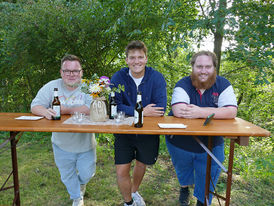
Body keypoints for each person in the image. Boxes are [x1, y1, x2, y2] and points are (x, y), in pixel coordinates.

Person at [166, 51, 237, 206]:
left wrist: (199, 111)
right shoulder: (183, 84)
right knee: (183, 170)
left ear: (214, 68)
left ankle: (202, 200)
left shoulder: (223, 84)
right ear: (193, 67)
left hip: (212, 142)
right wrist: (216, 112)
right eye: (199, 66)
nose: (203, 71)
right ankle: (184, 188)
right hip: (180, 142)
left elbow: (231, 111)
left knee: (208, 174)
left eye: (207, 66)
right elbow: (179, 111)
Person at [31, 54, 96, 206]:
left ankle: (81, 184)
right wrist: (45, 112)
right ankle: (77, 197)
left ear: (81, 72)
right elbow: (35, 105)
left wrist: (64, 109)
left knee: (87, 173)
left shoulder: (90, 87)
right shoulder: (51, 86)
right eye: (67, 71)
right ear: (61, 72)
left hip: (86, 144)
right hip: (61, 144)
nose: (71, 74)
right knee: (67, 176)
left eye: (75, 71)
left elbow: (92, 108)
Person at [111, 40, 167, 206]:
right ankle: (128, 203)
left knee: (142, 164)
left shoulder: (156, 77)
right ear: (127, 60)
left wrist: (130, 109)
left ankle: (134, 192)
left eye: (140, 57)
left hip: (148, 132)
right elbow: (114, 105)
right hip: (124, 130)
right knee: (121, 169)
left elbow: (160, 108)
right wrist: (140, 111)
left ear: (146, 58)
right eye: (132, 57)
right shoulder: (118, 77)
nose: (136, 61)